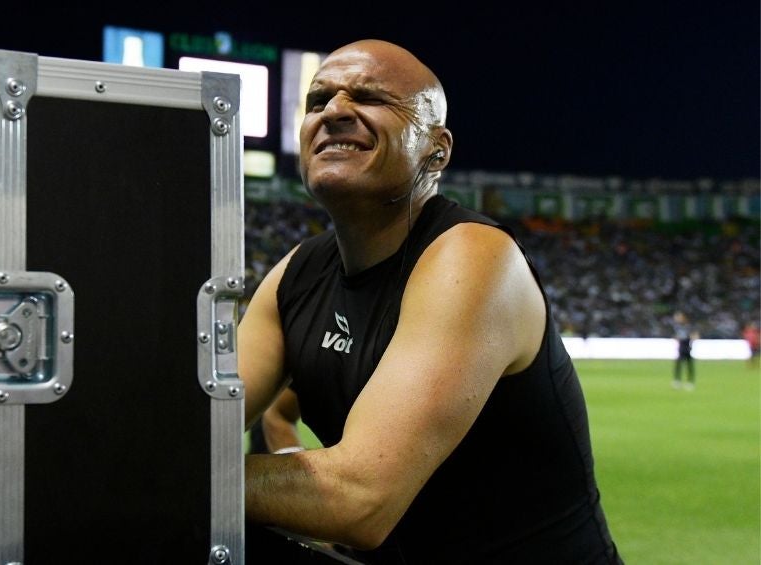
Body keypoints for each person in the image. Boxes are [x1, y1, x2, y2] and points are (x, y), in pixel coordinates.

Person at [238, 39, 621, 563]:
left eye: (370, 97)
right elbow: (193, 424)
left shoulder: (474, 257)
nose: (335, 111)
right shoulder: (296, 274)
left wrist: (177, 475)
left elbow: (358, 498)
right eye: (318, 100)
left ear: (436, 150)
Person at [671, 311, 697, 390]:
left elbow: (694, 335)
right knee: (678, 365)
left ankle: (690, 381)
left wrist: (692, 339)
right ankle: (677, 381)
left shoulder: (688, 326)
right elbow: (675, 336)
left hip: (687, 348)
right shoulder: (677, 327)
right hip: (681, 348)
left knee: (689, 366)